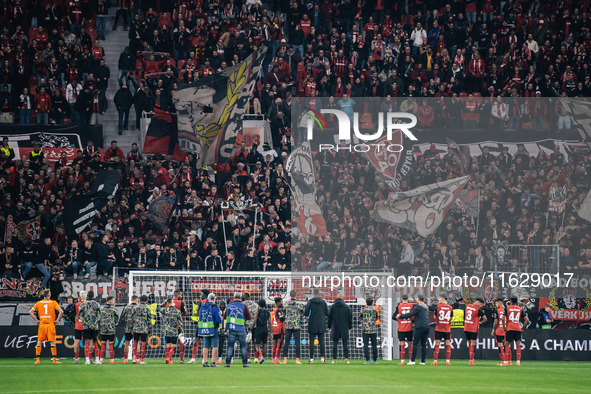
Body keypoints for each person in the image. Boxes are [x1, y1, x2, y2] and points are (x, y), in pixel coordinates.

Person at [29, 289, 63, 364]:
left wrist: (36, 320)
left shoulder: (39, 303)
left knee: (39, 342)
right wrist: (57, 320)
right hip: (50, 324)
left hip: (42, 324)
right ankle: (54, 360)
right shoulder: (53, 302)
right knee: (53, 342)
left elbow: (30, 312)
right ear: (49, 295)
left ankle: (37, 360)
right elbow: (61, 311)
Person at [397, 295, 430, 365]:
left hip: (420, 327)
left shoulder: (418, 307)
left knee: (415, 343)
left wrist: (400, 316)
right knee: (423, 344)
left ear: (418, 300)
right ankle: (423, 361)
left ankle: (412, 361)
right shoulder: (426, 307)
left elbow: (410, 314)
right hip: (427, 326)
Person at [223, 292, 252, 367]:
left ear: (233, 297)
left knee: (230, 346)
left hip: (232, 329)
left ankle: (227, 363)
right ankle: (245, 363)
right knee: (243, 346)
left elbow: (224, 317)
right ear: (240, 298)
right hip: (241, 328)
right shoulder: (244, 306)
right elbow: (249, 317)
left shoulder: (229, 306)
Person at [198, 293, 222, 367]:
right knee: (215, 346)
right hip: (213, 328)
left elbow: (200, 316)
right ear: (214, 299)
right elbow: (218, 319)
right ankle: (213, 362)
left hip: (204, 327)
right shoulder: (214, 307)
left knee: (205, 346)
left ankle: (205, 362)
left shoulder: (203, 306)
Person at [305, 288, 328, 364]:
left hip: (312, 323)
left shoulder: (310, 302)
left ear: (313, 293)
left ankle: (311, 359)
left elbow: (306, 313)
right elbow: (327, 313)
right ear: (319, 293)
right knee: (322, 342)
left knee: (311, 342)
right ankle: (322, 359)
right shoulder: (323, 302)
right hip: (321, 323)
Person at [503, 297, 528, 367]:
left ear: (510, 301)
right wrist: (522, 328)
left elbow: (502, 318)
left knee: (506, 343)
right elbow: (526, 320)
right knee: (518, 344)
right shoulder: (520, 309)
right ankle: (518, 362)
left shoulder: (507, 308)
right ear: (516, 301)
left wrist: (504, 327)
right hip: (517, 328)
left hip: (510, 327)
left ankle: (505, 362)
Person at [328, 293, 352, 364]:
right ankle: (346, 359)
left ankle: (334, 359)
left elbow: (329, 318)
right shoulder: (347, 307)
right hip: (344, 328)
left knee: (335, 344)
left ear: (336, 297)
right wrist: (350, 327)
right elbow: (349, 319)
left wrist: (329, 327)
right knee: (345, 344)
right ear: (343, 298)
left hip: (335, 327)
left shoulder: (332, 307)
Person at [282, 290, 305, 364]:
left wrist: (287, 318)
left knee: (286, 343)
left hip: (288, 325)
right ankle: (297, 359)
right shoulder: (299, 304)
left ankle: (285, 359)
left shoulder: (286, 303)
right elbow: (302, 313)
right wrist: (298, 317)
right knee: (297, 343)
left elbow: (284, 312)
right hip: (296, 325)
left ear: (290, 295)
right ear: (296, 295)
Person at [78, 290, 101, 364]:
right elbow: (99, 316)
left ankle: (87, 360)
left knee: (87, 343)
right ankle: (97, 360)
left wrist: (87, 323)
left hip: (86, 327)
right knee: (95, 343)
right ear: (93, 296)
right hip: (95, 327)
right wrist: (93, 324)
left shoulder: (82, 305)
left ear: (87, 296)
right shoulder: (97, 304)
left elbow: (80, 316)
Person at [463, 298, 487, 365]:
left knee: (469, 344)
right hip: (473, 328)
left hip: (466, 327)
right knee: (472, 345)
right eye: (481, 304)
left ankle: (471, 359)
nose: (481, 306)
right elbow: (485, 319)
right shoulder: (478, 309)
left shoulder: (468, 306)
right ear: (478, 302)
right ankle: (471, 360)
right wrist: (480, 322)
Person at [431, 296, 453, 365]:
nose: (439, 300)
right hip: (447, 329)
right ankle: (448, 361)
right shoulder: (450, 307)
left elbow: (434, 317)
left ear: (443, 299)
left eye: (440, 299)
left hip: (439, 328)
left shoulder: (437, 306)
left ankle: (435, 361)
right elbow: (451, 318)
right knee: (448, 345)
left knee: (437, 345)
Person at [161, 297, 183, 364]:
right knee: (174, 346)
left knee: (167, 344)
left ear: (167, 303)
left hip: (166, 330)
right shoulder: (177, 311)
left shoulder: (165, 310)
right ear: (173, 303)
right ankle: (169, 358)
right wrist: (181, 331)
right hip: (174, 330)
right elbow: (180, 322)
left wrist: (164, 303)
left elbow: (158, 308)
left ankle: (167, 359)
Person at [393, 294, 413, 365]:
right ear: (408, 299)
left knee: (402, 344)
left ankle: (402, 361)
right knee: (410, 343)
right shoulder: (411, 306)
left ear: (401, 299)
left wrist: (399, 320)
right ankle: (411, 360)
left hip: (401, 328)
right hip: (409, 327)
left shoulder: (399, 306)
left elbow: (393, 317)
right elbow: (413, 316)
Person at [99, 296, 119, 364]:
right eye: (113, 300)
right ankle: (112, 360)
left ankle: (101, 360)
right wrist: (113, 323)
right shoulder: (114, 309)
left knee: (103, 345)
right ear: (110, 301)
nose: (113, 302)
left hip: (103, 329)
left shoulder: (101, 309)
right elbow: (117, 319)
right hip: (111, 329)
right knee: (111, 345)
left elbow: (99, 318)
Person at [359, 297, 379, 365]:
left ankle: (367, 360)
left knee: (366, 345)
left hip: (365, 329)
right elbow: (376, 317)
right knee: (374, 345)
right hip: (373, 329)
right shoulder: (375, 309)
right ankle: (375, 360)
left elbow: (360, 317)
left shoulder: (363, 309)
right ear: (372, 302)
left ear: (366, 302)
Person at [134, 295, 152, 364]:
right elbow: (149, 319)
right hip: (144, 329)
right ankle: (142, 360)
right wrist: (150, 330)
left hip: (136, 328)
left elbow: (132, 318)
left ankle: (135, 358)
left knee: (136, 342)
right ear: (146, 300)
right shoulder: (147, 308)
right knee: (143, 343)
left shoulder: (136, 307)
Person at [120, 295, 138, 364]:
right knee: (137, 343)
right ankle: (136, 359)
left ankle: (125, 359)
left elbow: (123, 318)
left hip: (128, 327)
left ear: (131, 300)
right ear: (136, 300)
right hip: (136, 328)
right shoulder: (138, 307)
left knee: (127, 343)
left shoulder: (126, 308)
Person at [242, 292, 259, 363]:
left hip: (246, 325)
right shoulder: (255, 304)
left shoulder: (243, 304)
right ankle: (256, 358)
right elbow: (257, 315)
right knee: (255, 342)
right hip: (254, 325)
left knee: (246, 342)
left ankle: (248, 358)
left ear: (245, 297)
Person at [252, 298, 270, 364]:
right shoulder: (268, 312)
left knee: (257, 345)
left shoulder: (258, 311)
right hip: (265, 329)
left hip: (258, 329)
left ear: (259, 304)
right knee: (264, 344)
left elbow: (254, 321)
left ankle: (261, 356)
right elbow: (270, 322)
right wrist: (271, 332)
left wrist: (251, 328)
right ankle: (263, 357)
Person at [172, 290, 188, 363]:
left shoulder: (168, 302)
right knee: (181, 342)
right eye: (180, 295)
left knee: (169, 342)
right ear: (178, 295)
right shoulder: (180, 303)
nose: (181, 296)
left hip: (169, 326)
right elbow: (186, 313)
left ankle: (168, 358)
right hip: (179, 325)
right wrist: (184, 305)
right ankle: (181, 359)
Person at [72, 291, 87, 364]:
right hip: (85, 325)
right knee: (87, 342)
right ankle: (89, 358)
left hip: (78, 325)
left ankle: (76, 359)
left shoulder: (77, 304)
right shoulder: (87, 304)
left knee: (76, 342)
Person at [491, 298, 506, 365]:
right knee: (507, 345)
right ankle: (508, 361)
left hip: (499, 330)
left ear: (500, 303)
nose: (496, 305)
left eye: (496, 303)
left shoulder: (497, 311)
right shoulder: (507, 310)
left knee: (500, 345)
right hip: (506, 330)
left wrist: (493, 329)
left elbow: (496, 321)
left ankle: (503, 361)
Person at [271, 297, 285, 364]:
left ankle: (273, 359)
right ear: (277, 303)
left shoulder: (273, 310)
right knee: (279, 344)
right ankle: (276, 359)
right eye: (281, 302)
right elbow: (282, 319)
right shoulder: (278, 310)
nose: (282, 303)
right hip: (279, 328)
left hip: (274, 328)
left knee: (275, 343)